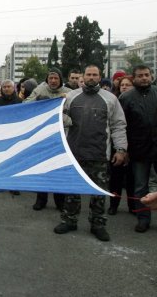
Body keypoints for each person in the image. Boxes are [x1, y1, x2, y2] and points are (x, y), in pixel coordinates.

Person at [55, 64, 127, 242]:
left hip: (100, 154)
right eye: (88, 74)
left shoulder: (110, 99)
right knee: (71, 191)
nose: (92, 77)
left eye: (95, 74)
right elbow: (58, 118)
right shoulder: (71, 97)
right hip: (74, 153)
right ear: (83, 76)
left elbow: (118, 125)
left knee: (99, 193)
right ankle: (69, 220)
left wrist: (121, 149)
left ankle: (98, 224)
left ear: (100, 76)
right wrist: (62, 113)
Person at [25, 68, 70, 211]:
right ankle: (41, 199)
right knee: (42, 169)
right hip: (42, 138)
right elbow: (25, 105)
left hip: (61, 138)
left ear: (60, 80)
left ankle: (60, 201)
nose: (53, 81)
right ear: (47, 79)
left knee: (59, 170)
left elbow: (73, 119)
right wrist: (39, 103)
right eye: (50, 78)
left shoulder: (69, 93)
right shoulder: (40, 90)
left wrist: (55, 113)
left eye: (56, 78)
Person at [118, 65, 157, 233]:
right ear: (133, 78)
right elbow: (121, 126)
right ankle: (143, 218)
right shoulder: (125, 98)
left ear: (152, 76)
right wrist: (123, 149)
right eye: (140, 75)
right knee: (140, 186)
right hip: (138, 150)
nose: (144, 78)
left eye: (147, 75)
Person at [107, 74, 135, 214]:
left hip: (135, 145)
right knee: (115, 178)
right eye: (122, 84)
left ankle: (133, 205)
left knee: (132, 178)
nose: (124, 87)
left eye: (127, 84)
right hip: (116, 144)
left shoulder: (137, 101)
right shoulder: (114, 100)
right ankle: (113, 205)